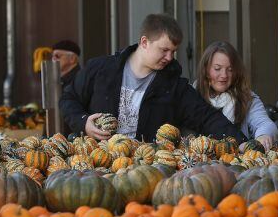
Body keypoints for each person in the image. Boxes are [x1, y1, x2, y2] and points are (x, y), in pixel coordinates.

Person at [60, 14, 243, 143]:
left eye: (173, 52)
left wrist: (242, 143)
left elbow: (206, 117)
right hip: (97, 164)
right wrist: (83, 122)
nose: (170, 57)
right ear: (144, 42)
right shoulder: (101, 69)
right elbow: (69, 98)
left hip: (148, 169)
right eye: (164, 50)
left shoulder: (173, 86)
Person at [194, 41, 278, 150]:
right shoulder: (192, 95)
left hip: (236, 158)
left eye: (230, 70)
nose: (224, 75)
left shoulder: (246, 98)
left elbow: (265, 124)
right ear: (205, 70)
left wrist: (263, 136)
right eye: (217, 68)